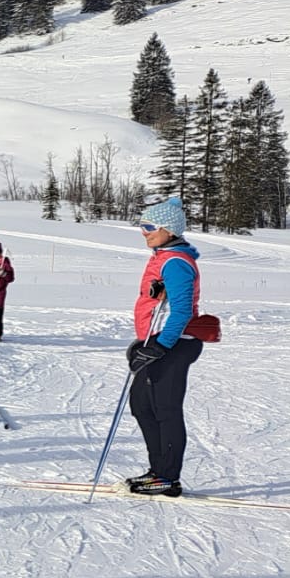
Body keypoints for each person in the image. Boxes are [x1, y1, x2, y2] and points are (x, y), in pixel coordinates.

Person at [125, 195, 210, 497]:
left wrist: (160, 346)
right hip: (157, 341)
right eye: (142, 226)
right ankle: (157, 470)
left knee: (165, 409)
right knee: (142, 405)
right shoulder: (164, 258)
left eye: (150, 226)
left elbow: (183, 311)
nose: (144, 231)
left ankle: (167, 476)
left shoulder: (175, 262)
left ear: (169, 229)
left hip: (173, 344)